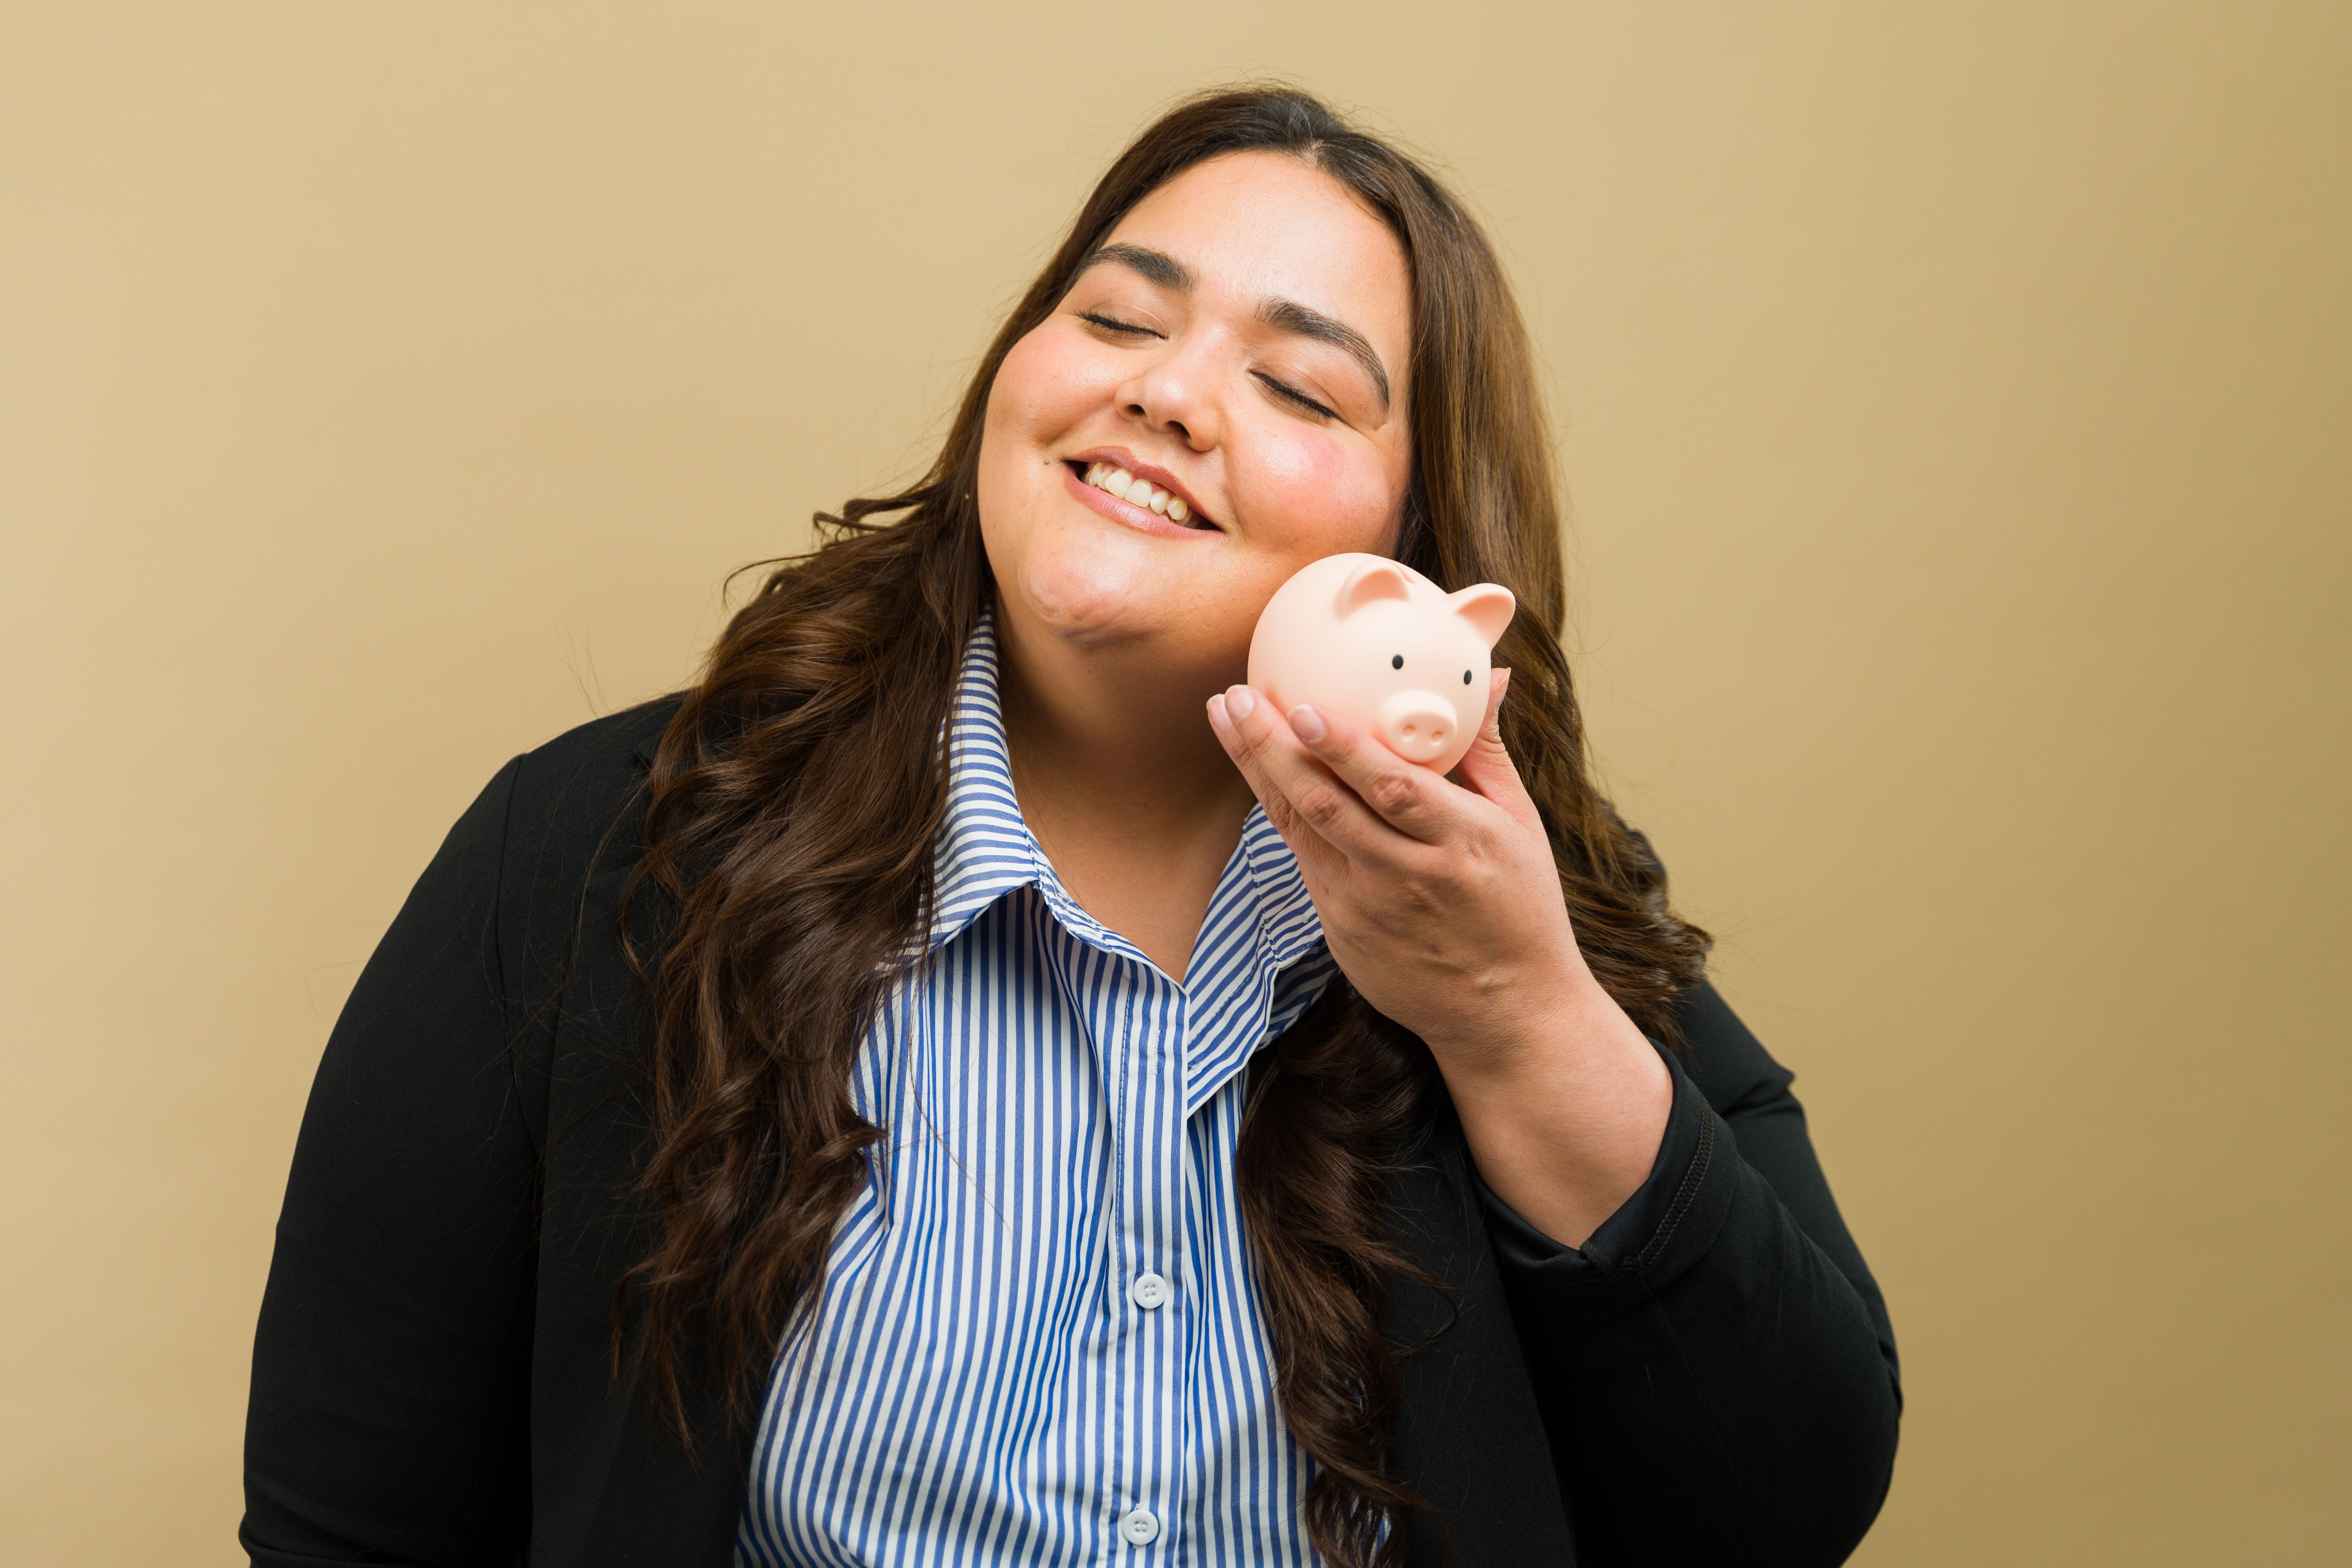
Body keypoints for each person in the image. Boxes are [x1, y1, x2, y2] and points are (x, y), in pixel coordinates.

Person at [242, 87, 1900, 1568]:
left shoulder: (1518, 910)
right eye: (1116, 318)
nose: (1172, 395)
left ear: (1413, 553)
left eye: (1303, 389)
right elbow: (349, 1519)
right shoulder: (599, 857)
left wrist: (1515, 1017)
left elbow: (1788, 1497)